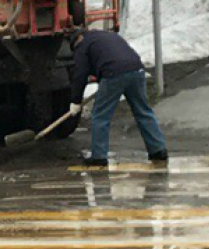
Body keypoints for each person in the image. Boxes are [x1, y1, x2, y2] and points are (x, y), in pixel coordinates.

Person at [69, 29, 167, 167]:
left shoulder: (82, 45)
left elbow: (80, 74)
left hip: (113, 73)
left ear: (77, 39)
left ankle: (99, 156)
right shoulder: (105, 36)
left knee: (100, 116)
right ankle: (158, 149)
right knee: (143, 111)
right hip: (137, 69)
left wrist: (75, 101)